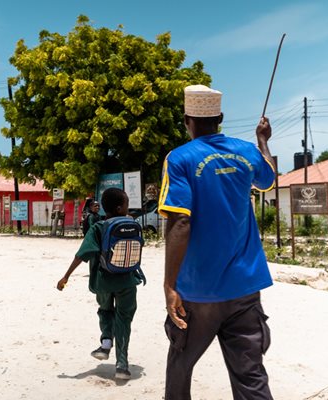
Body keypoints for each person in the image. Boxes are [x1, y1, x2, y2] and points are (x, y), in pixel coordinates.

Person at [159, 84, 276, 399]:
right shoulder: (246, 151)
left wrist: (170, 286)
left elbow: (180, 220)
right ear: (220, 117)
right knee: (250, 377)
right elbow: (267, 179)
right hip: (246, 287)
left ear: (187, 120)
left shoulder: (179, 159)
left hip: (199, 290)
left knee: (181, 365)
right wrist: (263, 141)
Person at [57, 188, 144, 380]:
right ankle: (122, 364)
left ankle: (106, 343)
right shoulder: (132, 224)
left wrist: (66, 276)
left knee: (105, 310)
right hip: (128, 280)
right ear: (121, 207)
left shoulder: (99, 227)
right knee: (124, 319)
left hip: (104, 281)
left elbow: (82, 255)